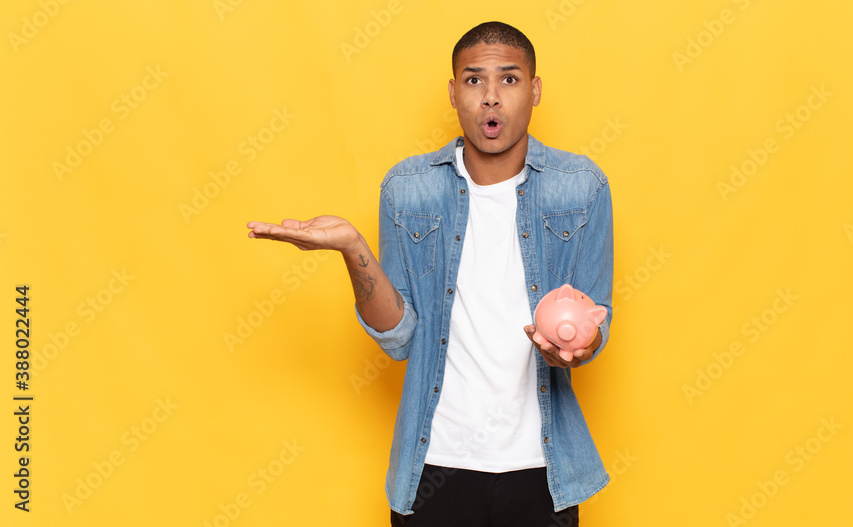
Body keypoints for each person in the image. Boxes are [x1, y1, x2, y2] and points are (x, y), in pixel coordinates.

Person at [246, 21, 613, 527]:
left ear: (535, 90)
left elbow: (596, 322)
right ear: (453, 92)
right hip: (436, 465)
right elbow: (398, 339)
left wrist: (574, 348)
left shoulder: (582, 188)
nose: (490, 98)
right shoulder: (407, 189)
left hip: (544, 471)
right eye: (473, 80)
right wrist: (354, 250)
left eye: (508, 80)